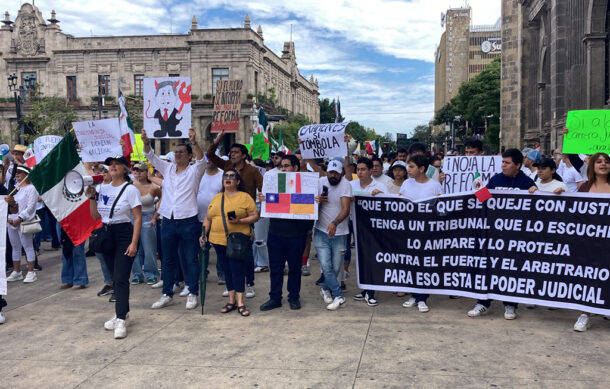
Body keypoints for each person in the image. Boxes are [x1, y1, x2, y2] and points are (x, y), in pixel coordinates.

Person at [467, 148, 536, 320]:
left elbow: (534, 208)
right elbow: (484, 200)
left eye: (507, 163)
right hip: (493, 234)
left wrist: (535, 192)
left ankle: (510, 304)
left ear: (518, 165)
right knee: (488, 268)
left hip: (514, 236)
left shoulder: (527, 183)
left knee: (510, 269)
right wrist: (478, 189)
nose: (503, 166)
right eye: (502, 162)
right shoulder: (496, 179)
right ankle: (483, 302)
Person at [144, 128, 206, 311]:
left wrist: (194, 142)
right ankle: (167, 294)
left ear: (189, 155)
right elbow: (151, 156)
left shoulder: (195, 171)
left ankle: (192, 292)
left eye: (181, 152)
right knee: (168, 259)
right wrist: (146, 141)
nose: (178, 155)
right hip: (168, 220)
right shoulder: (168, 168)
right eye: (176, 152)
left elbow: (202, 160)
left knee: (190, 258)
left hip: (188, 220)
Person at [87, 155, 142, 339]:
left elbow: (138, 217)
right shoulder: (102, 188)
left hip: (124, 233)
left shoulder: (130, 190)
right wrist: (92, 197)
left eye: (118, 164)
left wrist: (134, 243)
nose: (113, 167)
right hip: (107, 233)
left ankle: (120, 318)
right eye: (111, 164)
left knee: (121, 277)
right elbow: (95, 216)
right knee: (114, 276)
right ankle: (123, 314)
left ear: (125, 169)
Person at [207, 130, 263, 298]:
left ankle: (249, 284)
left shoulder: (252, 171)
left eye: (236, 152)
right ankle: (232, 285)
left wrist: (263, 204)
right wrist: (218, 140)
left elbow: (264, 188)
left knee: (245, 252)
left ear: (244, 155)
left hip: (245, 217)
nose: (232, 154)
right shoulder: (227, 167)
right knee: (228, 253)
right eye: (230, 152)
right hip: (226, 219)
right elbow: (210, 154)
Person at [258, 155, 313, 311]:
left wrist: (314, 202)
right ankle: (274, 298)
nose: (283, 169)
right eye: (281, 166)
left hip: (297, 235)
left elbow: (310, 210)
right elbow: (270, 205)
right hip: (276, 233)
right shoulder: (274, 183)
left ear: (295, 168)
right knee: (276, 269)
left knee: (295, 269)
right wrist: (264, 199)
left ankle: (294, 297)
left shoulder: (306, 185)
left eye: (286, 166)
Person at [202, 168, 259, 317]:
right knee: (226, 270)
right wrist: (203, 234)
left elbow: (255, 216)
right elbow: (208, 218)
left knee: (237, 270)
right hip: (217, 240)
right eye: (225, 176)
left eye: (232, 176)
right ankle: (231, 300)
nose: (228, 178)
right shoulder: (217, 198)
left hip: (237, 240)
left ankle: (241, 302)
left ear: (238, 181)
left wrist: (240, 220)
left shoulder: (244, 197)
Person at [399, 154, 443, 312]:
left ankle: (422, 297)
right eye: (407, 166)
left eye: (411, 167)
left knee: (424, 265)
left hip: (427, 232)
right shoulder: (406, 183)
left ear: (422, 169)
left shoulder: (435, 185)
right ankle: (414, 294)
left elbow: (441, 210)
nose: (408, 170)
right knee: (411, 264)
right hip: (408, 231)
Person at [572, 153, 610, 332]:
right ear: (592, 165)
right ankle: (585, 313)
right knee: (589, 277)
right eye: (599, 161)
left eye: (607, 161)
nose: (603, 164)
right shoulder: (585, 188)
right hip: (589, 242)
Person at [314, 160, 352, 310]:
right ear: (327, 172)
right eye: (331, 172)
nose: (333, 175)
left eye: (336, 172)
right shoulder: (319, 182)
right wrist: (316, 201)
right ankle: (339, 295)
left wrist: (335, 223)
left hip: (340, 232)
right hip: (320, 231)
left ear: (342, 172)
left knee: (336, 267)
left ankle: (325, 289)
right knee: (326, 266)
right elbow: (306, 203)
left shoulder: (345, 184)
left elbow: (346, 209)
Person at [351, 158, 388, 307]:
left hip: (374, 231)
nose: (360, 172)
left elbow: (388, 207)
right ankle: (365, 289)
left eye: (363, 169)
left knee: (372, 259)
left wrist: (380, 195)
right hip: (357, 228)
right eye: (358, 169)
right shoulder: (351, 185)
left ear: (370, 170)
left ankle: (371, 292)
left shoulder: (380, 186)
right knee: (361, 259)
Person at [5, 166, 39, 284]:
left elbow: (30, 207)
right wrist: (9, 218)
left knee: (27, 246)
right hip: (12, 221)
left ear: (26, 175)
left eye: (20, 172)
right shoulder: (15, 188)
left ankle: (31, 271)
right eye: (16, 172)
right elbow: (11, 206)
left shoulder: (31, 188)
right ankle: (17, 271)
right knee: (15, 247)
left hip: (24, 221)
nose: (17, 174)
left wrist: (20, 217)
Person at [130, 163, 162, 285]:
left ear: (146, 172)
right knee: (134, 247)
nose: (138, 172)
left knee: (149, 248)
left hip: (147, 216)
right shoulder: (130, 186)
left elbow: (163, 199)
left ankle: (151, 274)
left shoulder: (153, 188)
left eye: (141, 170)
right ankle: (137, 274)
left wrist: (155, 216)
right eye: (135, 170)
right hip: (133, 217)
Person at [197, 159, 225, 284]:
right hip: (199, 217)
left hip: (217, 217)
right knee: (202, 247)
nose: (208, 161)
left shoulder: (223, 175)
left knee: (220, 247)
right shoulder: (199, 174)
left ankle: (222, 274)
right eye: (206, 159)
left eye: (211, 158)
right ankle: (202, 273)